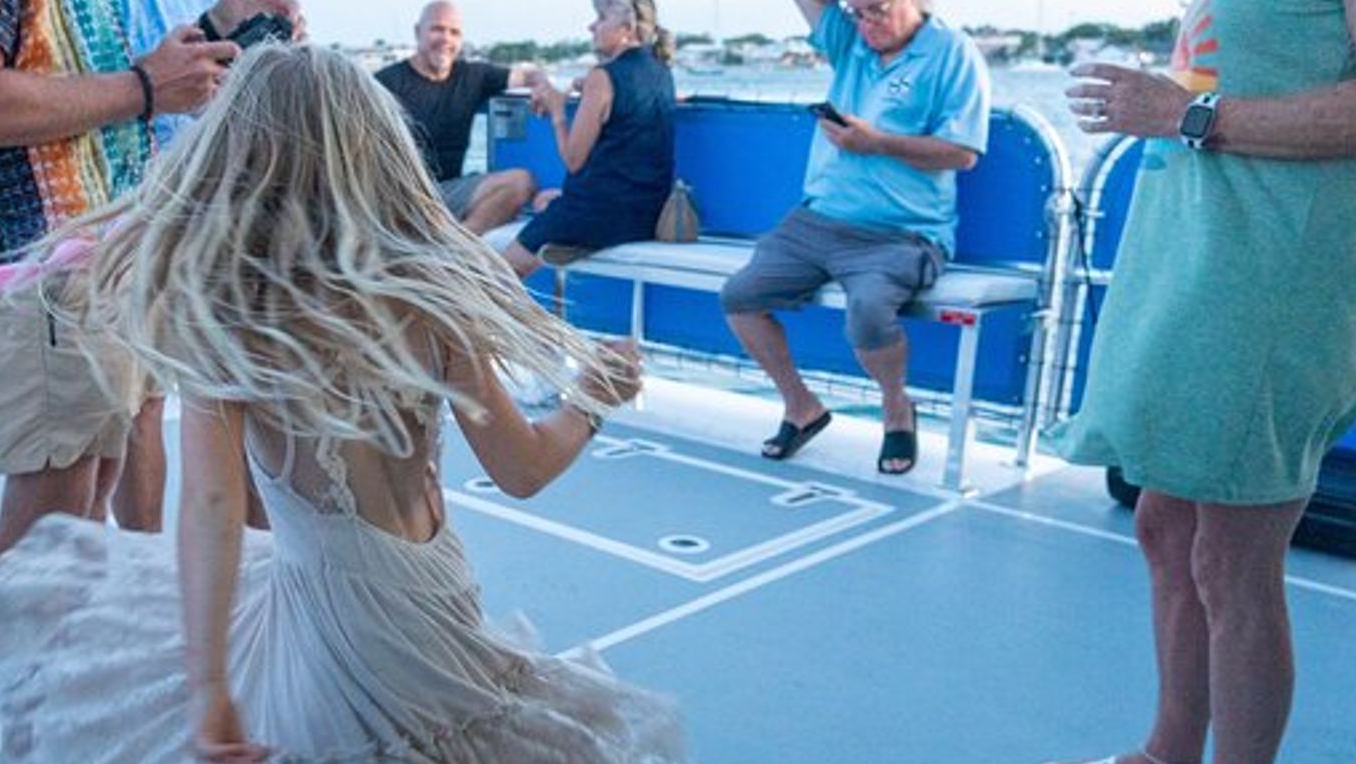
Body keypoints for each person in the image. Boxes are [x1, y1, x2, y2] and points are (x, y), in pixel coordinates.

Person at [0, 45, 687, 764]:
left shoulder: (226, 316)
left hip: (324, 608)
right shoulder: (431, 299)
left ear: (233, 163)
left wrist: (210, 685)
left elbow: (209, 510)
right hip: (426, 600)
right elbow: (522, 471)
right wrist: (592, 400)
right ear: (378, 155)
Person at [1035, 0, 1356, 764]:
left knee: (1235, 561)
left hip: (1282, 280)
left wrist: (1186, 115)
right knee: (1165, 524)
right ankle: (1170, 762)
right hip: (1212, 265)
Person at [0, 0, 295, 562]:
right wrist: (145, 87)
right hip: (38, 269)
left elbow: (82, 76)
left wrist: (214, 35)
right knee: (51, 526)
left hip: (102, 261)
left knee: (85, 506)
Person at [718, 0, 989, 475]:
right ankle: (801, 406)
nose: (866, 24)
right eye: (857, 12)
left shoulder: (952, 52)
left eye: (877, 11)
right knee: (739, 296)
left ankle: (896, 407)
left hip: (902, 232)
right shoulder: (852, 42)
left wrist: (877, 143)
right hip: (818, 220)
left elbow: (963, 153)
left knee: (867, 313)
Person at [502, 0, 676, 278]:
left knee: (501, 269)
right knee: (545, 200)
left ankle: (564, 243)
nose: (591, 26)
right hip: (646, 215)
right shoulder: (662, 70)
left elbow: (573, 161)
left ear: (626, 29)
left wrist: (558, 110)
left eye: (601, 18)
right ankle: (564, 240)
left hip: (602, 215)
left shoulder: (603, 76)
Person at [375, 1, 538, 234]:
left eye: (454, 32)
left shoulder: (473, 76)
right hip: (400, 198)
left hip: (446, 192)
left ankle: (459, 245)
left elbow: (528, 76)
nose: (446, 39)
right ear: (417, 32)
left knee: (520, 183)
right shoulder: (385, 84)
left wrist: (547, 92)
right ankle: (445, 244)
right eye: (437, 29)